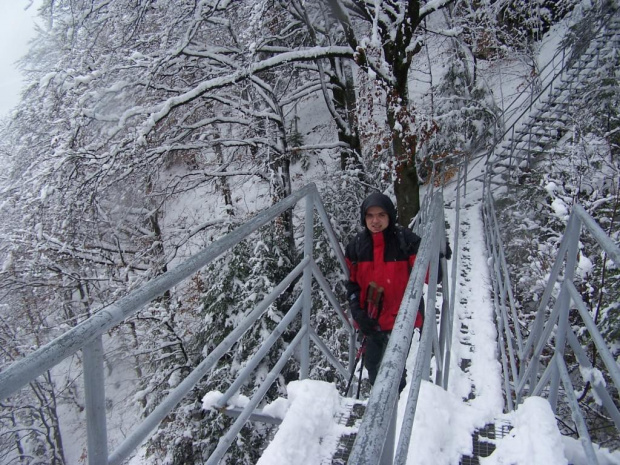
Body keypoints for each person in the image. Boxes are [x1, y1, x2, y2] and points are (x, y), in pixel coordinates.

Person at [344, 192, 430, 393]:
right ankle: (383, 408)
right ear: (364, 218)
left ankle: (395, 407)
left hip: (401, 319)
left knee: (394, 370)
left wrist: (437, 252)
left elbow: (429, 276)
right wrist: (358, 313)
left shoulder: (405, 241)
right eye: (370, 216)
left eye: (381, 215)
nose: (375, 221)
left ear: (390, 216)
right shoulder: (356, 246)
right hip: (371, 320)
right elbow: (352, 285)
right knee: (373, 367)